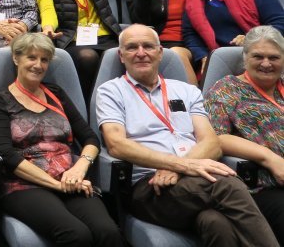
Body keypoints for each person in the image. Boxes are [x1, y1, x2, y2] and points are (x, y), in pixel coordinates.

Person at [97, 24, 278, 246]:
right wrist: (181, 166)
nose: (141, 52)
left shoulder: (186, 90)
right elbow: (117, 145)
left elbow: (212, 142)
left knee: (214, 223)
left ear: (160, 52)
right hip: (149, 185)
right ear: (121, 55)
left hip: (190, 178)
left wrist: (180, 167)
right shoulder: (110, 91)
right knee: (227, 184)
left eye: (148, 46)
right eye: (132, 47)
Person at [0, 33, 124, 246]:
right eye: (31, 57)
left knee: (109, 232)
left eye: (44, 59)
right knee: (76, 234)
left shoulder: (55, 93)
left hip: (70, 177)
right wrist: (57, 185)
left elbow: (90, 138)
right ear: (16, 58)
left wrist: (78, 169)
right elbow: (5, 153)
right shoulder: (1, 99)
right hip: (24, 184)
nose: (38, 65)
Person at [205, 25, 284, 244]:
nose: (266, 63)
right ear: (245, 57)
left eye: (274, 57)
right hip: (264, 185)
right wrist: (270, 158)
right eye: (258, 56)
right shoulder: (226, 89)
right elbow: (216, 137)